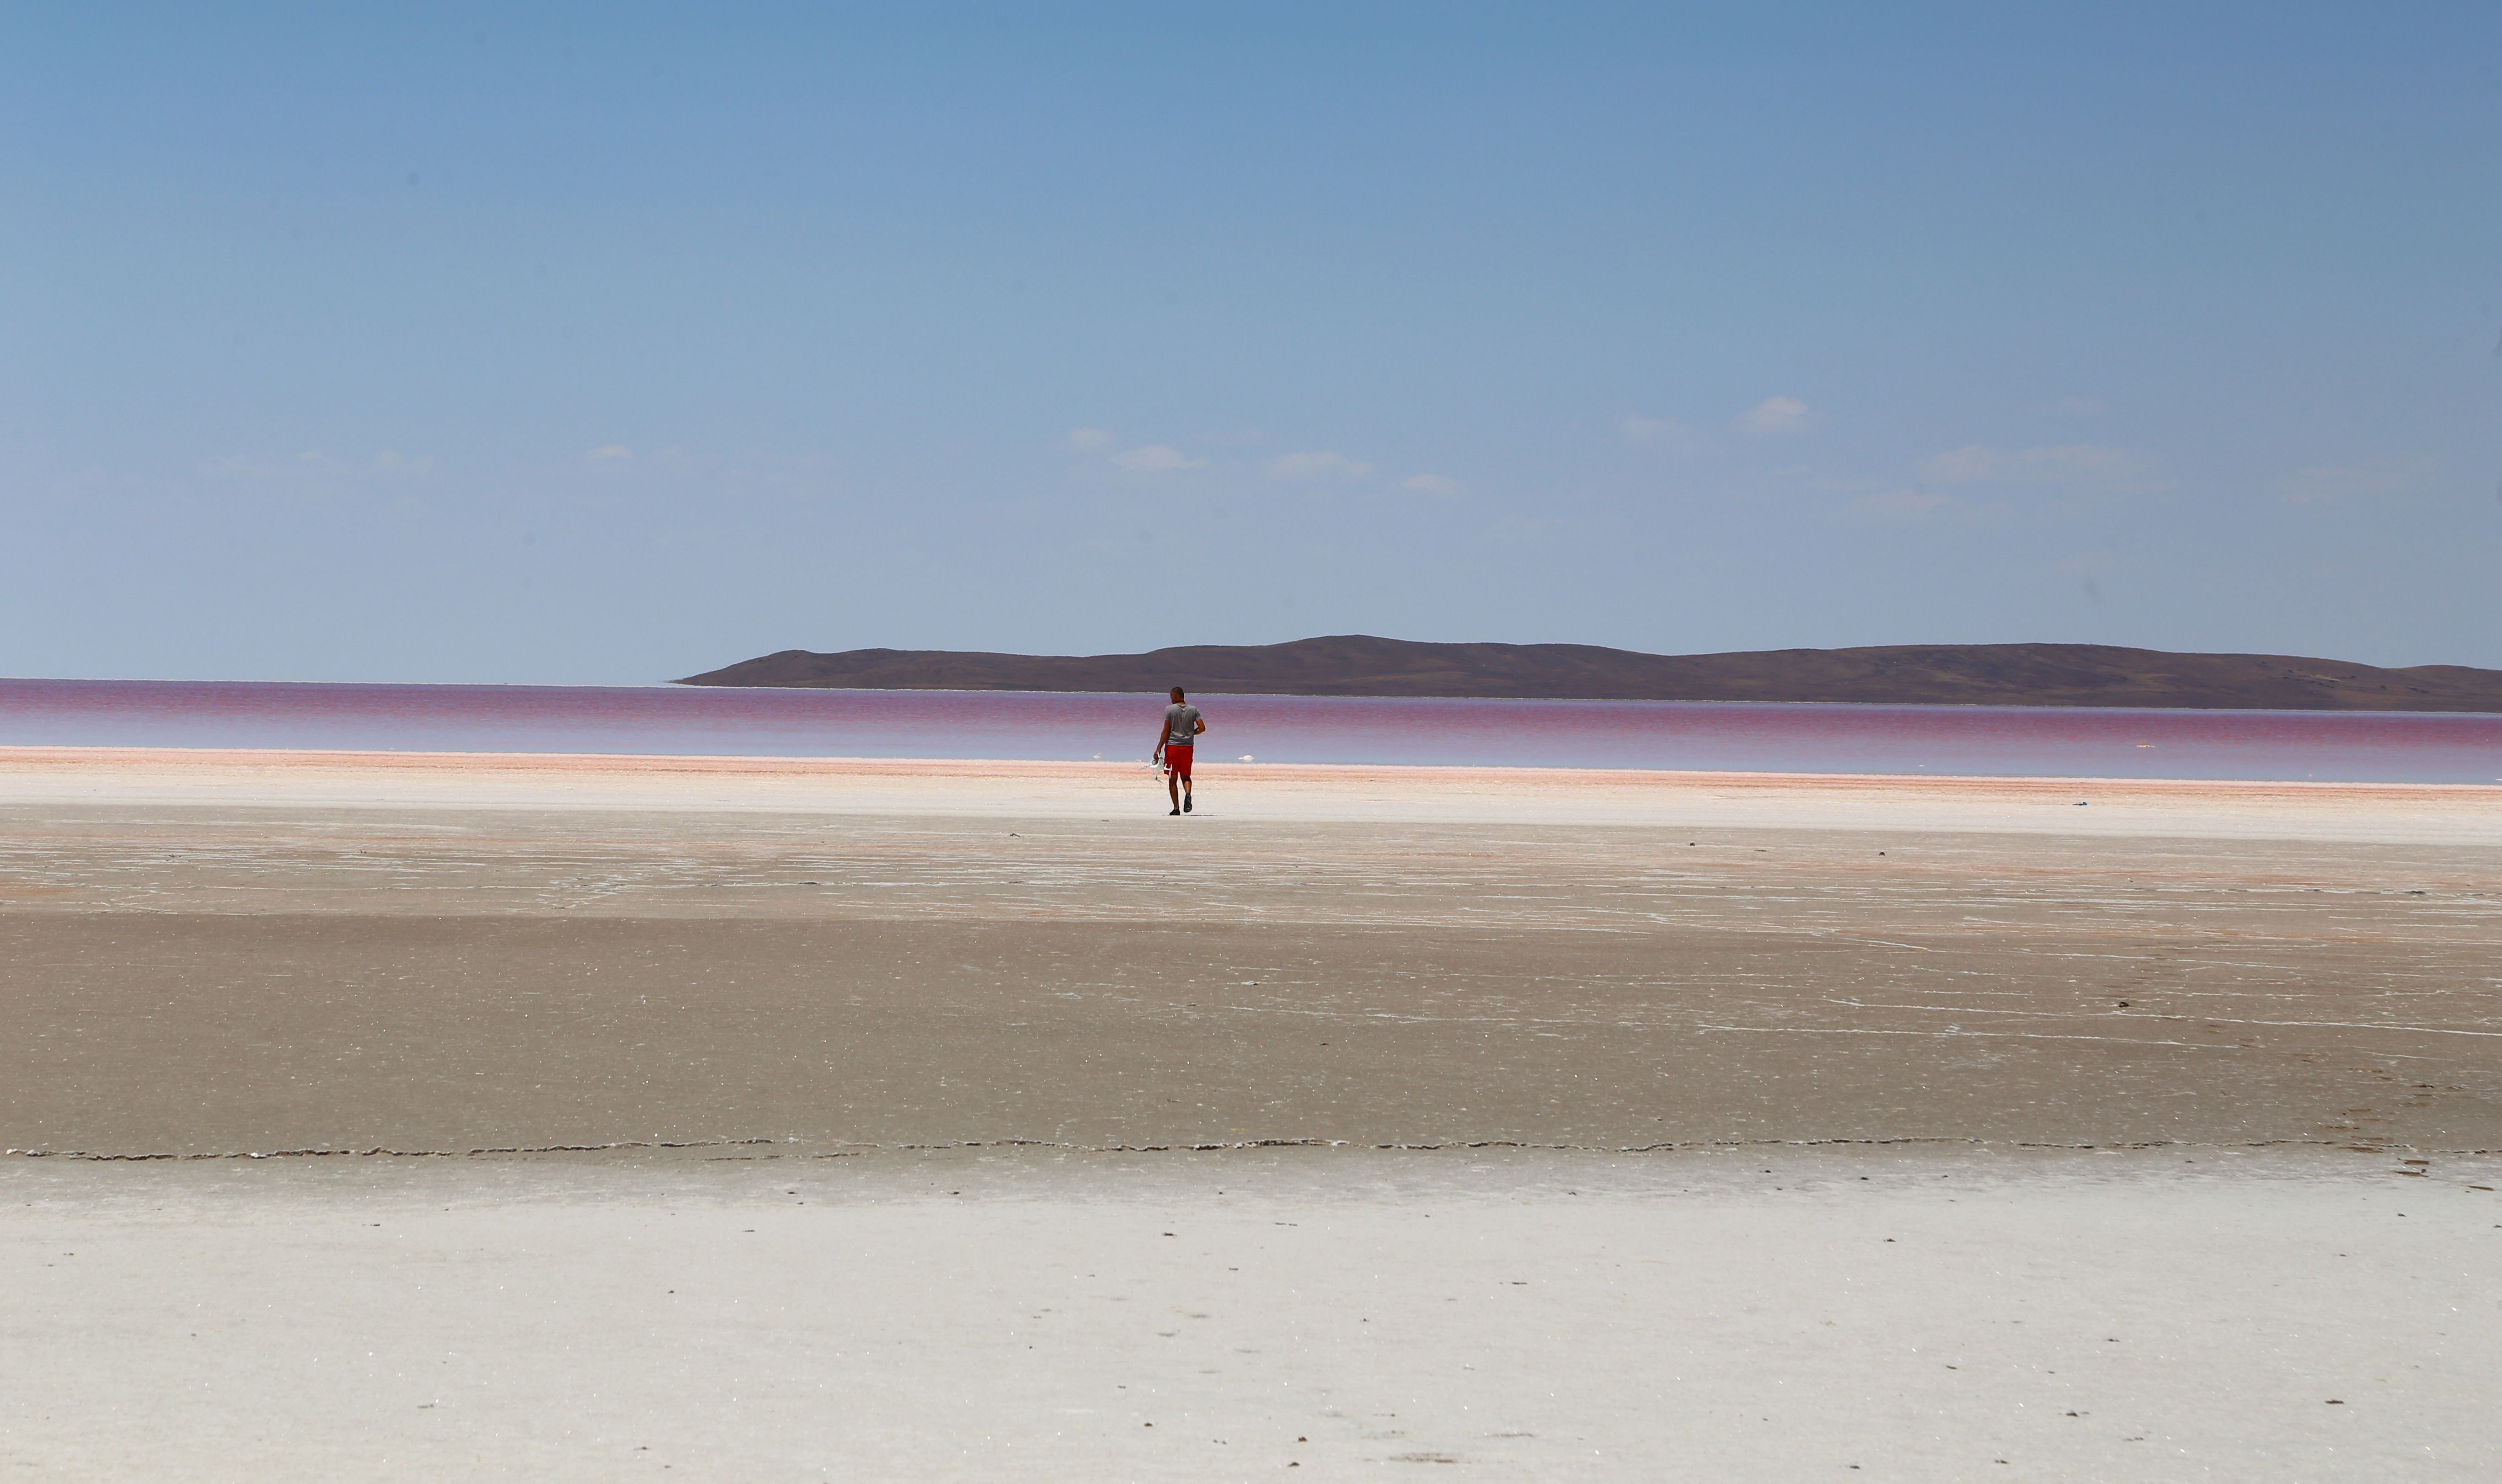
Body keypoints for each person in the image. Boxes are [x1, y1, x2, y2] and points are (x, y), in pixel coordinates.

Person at [1152, 686, 1205, 815]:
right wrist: (1191, 734)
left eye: (1172, 697)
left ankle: (1176, 809)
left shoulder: (1170, 710)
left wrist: (1159, 748)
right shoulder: (1194, 710)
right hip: (1188, 747)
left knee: (1173, 778)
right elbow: (1202, 728)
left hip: (1172, 747)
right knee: (1186, 776)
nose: (1171, 700)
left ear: (1176, 696)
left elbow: (1166, 731)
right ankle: (1188, 794)